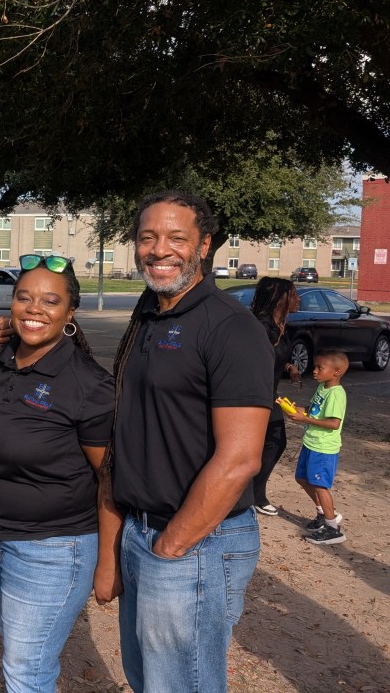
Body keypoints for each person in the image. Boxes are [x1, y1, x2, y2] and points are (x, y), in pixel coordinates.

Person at [111, 191, 274, 693]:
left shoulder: (230, 327)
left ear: (203, 245)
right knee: (149, 680)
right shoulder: (150, 311)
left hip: (196, 541)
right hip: (143, 533)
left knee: (179, 685)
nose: (160, 249)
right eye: (148, 237)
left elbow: (240, 458)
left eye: (176, 238)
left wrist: (173, 546)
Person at [0, 255, 120, 692]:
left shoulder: (89, 385)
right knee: (20, 656)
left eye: (50, 301)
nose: (34, 309)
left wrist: (109, 561)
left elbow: (110, 480)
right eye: (24, 298)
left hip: (53, 547)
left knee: (26, 669)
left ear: (70, 313)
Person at [249, 277, 302, 515]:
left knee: (275, 442)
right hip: (255, 397)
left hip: (270, 395)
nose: (298, 299)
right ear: (280, 299)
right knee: (271, 442)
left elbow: (275, 356)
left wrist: (289, 367)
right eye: (293, 294)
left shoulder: (280, 326)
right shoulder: (261, 328)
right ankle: (252, 496)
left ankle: (253, 494)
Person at [286, 350, 349, 545]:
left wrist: (304, 419)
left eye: (320, 368)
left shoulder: (336, 394)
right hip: (311, 443)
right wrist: (298, 410)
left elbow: (333, 423)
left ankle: (333, 529)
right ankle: (323, 513)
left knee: (320, 486)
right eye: (315, 367)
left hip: (323, 448)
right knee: (302, 478)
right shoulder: (323, 387)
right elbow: (314, 410)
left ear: (336, 372)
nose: (314, 371)